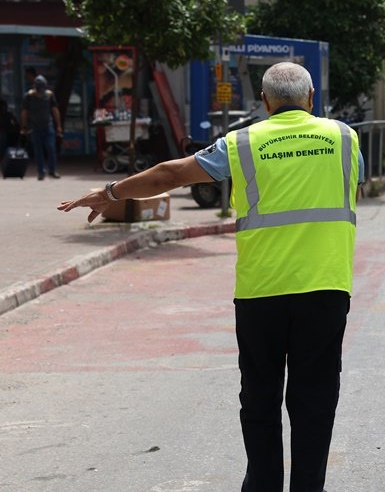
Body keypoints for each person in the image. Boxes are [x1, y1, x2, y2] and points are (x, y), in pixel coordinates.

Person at [58, 62, 363, 491]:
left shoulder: (242, 144)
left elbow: (171, 174)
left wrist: (111, 193)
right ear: (312, 99)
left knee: (259, 399)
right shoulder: (344, 138)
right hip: (326, 289)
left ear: (264, 101)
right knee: (315, 400)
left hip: (262, 292)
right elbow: (353, 186)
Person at [21, 75, 61, 180]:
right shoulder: (29, 96)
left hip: (48, 126)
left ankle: (52, 170)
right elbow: (24, 112)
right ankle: (41, 172)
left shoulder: (49, 95)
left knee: (51, 148)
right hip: (35, 128)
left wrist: (59, 125)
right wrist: (24, 126)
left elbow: (55, 110)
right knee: (38, 151)